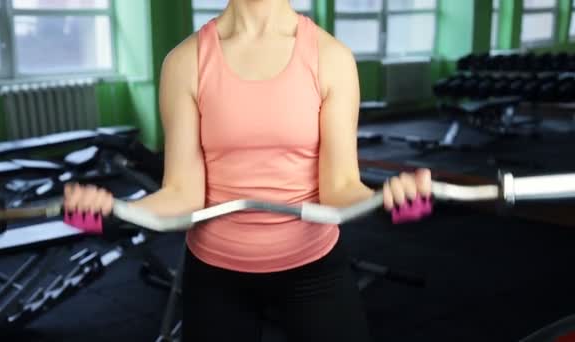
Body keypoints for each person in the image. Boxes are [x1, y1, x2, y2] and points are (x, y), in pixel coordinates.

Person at [64, 0, 432, 341]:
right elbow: (182, 194)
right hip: (216, 274)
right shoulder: (186, 62)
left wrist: (384, 200)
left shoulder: (330, 57)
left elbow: (339, 187)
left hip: (312, 264)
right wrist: (115, 212)